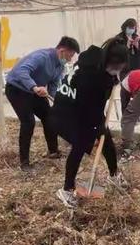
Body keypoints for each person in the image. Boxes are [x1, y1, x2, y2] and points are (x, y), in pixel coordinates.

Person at [49, 38, 130, 209]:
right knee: (80, 144)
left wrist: (112, 80)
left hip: (80, 106)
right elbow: (90, 107)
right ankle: (67, 190)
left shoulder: (96, 61)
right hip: (67, 112)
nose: (119, 70)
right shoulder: (91, 76)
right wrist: (96, 128)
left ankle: (114, 175)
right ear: (109, 61)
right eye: (118, 67)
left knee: (105, 139)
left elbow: (96, 105)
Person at [6, 36, 80, 170]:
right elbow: (20, 71)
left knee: (50, 117)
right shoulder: (42, 57)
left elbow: (53, 86)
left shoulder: (59, 65)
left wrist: (60, 104)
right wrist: (34, 87)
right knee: (28, 122)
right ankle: (24, 162)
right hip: (17, 89)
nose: (70, 59)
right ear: (62, 51)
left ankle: (53, 152)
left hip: (35, 91)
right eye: (70, 55)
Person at [117, 18, 140, 112]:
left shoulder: (135, 36)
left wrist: (137, 44)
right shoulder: (119, 38)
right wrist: (128, 45)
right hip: (125, 69)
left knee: (139, 92)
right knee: (125, 93)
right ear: (125, 27)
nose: (132, 29)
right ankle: (125, 114)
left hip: (137, 68)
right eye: (130, 27)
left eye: (133, 28)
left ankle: (138, 114)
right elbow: (118, 53)